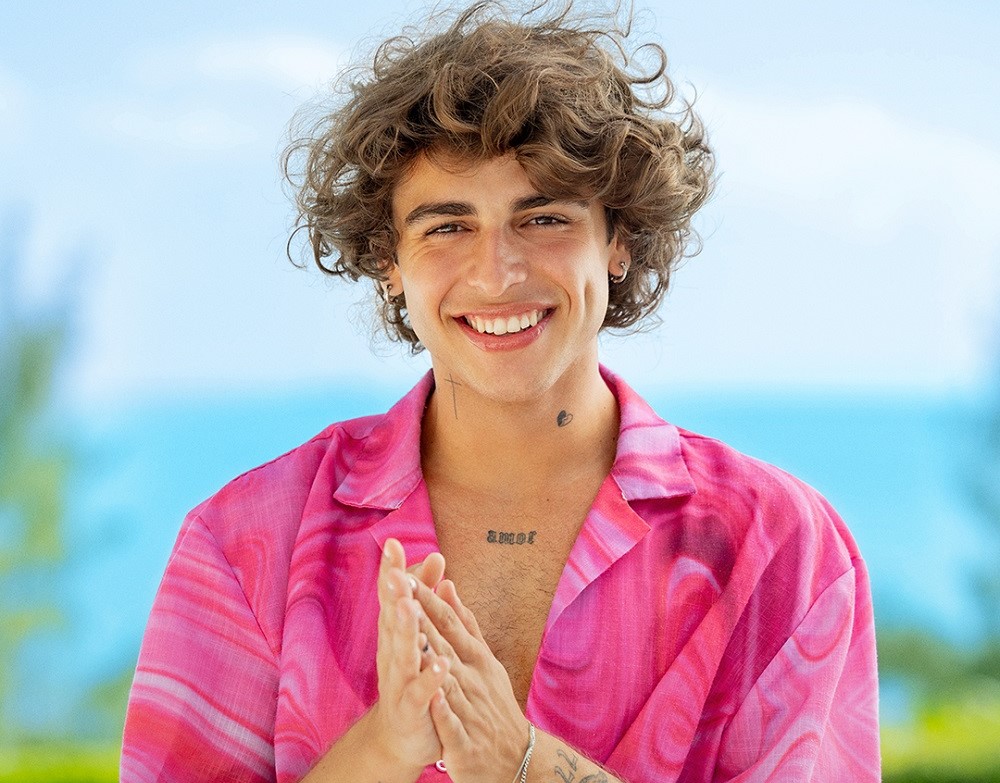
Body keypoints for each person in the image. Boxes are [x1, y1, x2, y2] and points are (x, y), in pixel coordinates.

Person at [120, 2, 881, 781]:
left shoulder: (779, 547)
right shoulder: (246, 544)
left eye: (543, 218)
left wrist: (522, 761)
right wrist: (383, 747)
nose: (496, 273)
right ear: (389, 262)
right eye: (447, 227)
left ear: (618, 239)